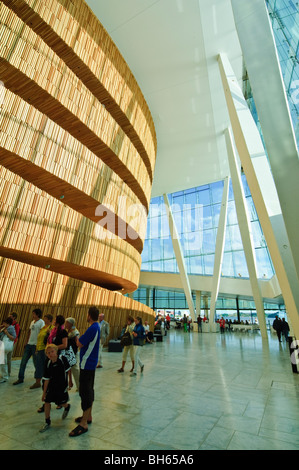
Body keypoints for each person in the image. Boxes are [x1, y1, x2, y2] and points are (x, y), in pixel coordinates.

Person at [69, 306, 100, 437]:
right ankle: (88, 416)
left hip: (87, 364)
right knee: (89, 390)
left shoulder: (92, 328)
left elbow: (79, 344)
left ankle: (83, 424)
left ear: (89, 315)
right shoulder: (96, 327)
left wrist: (75, 336)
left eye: (87, 314)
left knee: (85, 392)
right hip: (90, 364)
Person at [39, 343, 71, 433]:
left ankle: (67, 406)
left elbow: (68, 370)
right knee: (47, 402)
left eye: (52, 351)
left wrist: (70, 382)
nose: (50, 354)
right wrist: (44, 393)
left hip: (61, 386)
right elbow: (46, 379)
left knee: (60, 403)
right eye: (48, 353)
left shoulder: (62, 359)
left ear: (56, 351)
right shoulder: (47, 362)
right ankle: (47, 421)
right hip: (51, 387)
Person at [13, 308, 44, 385]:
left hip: (35, 345)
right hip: (29, 344)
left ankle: (39, 378)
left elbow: (42, 334)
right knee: (23, 362)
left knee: (36, 363)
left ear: (37, 314)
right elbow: (29, 332)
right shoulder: (32, 322)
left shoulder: (41, 322)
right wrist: (26, 342)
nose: (32, 315)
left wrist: (39, 345)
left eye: (34, 314)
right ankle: (20, 378)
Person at [30, 314, 54, 389]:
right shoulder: (43, 328)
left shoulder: (52, 328)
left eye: (45, 318)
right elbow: (39, 338)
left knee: (44, 365)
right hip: (39, 348)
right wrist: (37, 348)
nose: (44, 320)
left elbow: (52, 338)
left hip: (45, 349)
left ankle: (44, 381)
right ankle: (38, 381)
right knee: (39, 365)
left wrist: (50, 333)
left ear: (49, 320)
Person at [65, 317, 80, 391]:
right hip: (68, 353)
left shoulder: (75, 332)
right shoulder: (68, 331)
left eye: (67, 323)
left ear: (71, 324)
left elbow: (77, 343)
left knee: (75, 369)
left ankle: (79, 386)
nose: (65, 324)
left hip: (73, 353)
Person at [0, 317, 16, 383]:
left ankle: (5, 377)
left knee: (3, 362)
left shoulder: (11, 328)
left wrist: (6, 333)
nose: (3, 324)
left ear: (8, 323)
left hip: (5, 347)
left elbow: (13, 337)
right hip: (2, 346)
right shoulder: (4, 328)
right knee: (2, 362)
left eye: (4, 323)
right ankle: (4, 376)